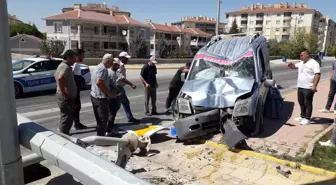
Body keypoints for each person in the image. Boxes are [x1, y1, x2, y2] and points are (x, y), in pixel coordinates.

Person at [286, 49, 321, 125]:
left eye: (302, 55)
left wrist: (314, 86)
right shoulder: (302, 62)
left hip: (308, 87)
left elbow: (317, 75)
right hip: (300, 86)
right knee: (301, 102)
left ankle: (307, 118)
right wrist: (290, 64)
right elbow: (294, 66)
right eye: (300, 55)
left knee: (307, 103)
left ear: (307, 55)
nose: (300, 56)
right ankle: (302, 116)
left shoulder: (314, 63)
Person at [90, 53, 115, 136]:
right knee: (103, 119)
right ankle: (101, 138)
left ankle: (100, 135)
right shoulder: (103, 69)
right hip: (100, 98)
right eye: (111, 62)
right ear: (108, 61)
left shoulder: (97, 67)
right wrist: (108, 92)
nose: (112, 64)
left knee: (99, 119)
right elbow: (99, 82)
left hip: (94, 96)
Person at [54, 50, 78, 135]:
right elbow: (60, 78)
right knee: (66, 119)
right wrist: (64, 92)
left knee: (66, 117)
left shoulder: (62, 66)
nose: (75, 61)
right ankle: (64, 136)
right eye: (74, 58)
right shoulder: (65, 67)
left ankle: (63, 134)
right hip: (65, 98)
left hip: (64, 96)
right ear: (68, 57)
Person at [115, 51, 140, 123]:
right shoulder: (118, 65)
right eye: (126, 58)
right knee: (119, 104)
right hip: (118, 87)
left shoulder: (121, 64)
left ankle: (129, 117)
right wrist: (131, 84)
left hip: (119, 87)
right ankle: (110, 118)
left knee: (122, 103)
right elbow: (121, 77)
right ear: (122, 58)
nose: (127, 60)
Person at [72, 49, 88, 130]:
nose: (83, 57)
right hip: (74, 90)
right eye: (82, 55)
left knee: (77, 106)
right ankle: (76, 124)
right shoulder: (75, 65)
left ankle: (77, 123)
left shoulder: (77, 64)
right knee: (76, 106)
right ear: (77, 56)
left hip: (77, 89)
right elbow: (72, 76)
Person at [107, 59, 122, 136]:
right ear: (113, 64)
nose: (118, 66)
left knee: (110, 113)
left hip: (110, 95)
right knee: (112, 113)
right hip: (111, 96)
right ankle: (109, 130)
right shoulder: (111, 73)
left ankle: (108, 128)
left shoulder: (112, 72)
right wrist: (117, 90)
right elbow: (112, 85)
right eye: (117, 65)